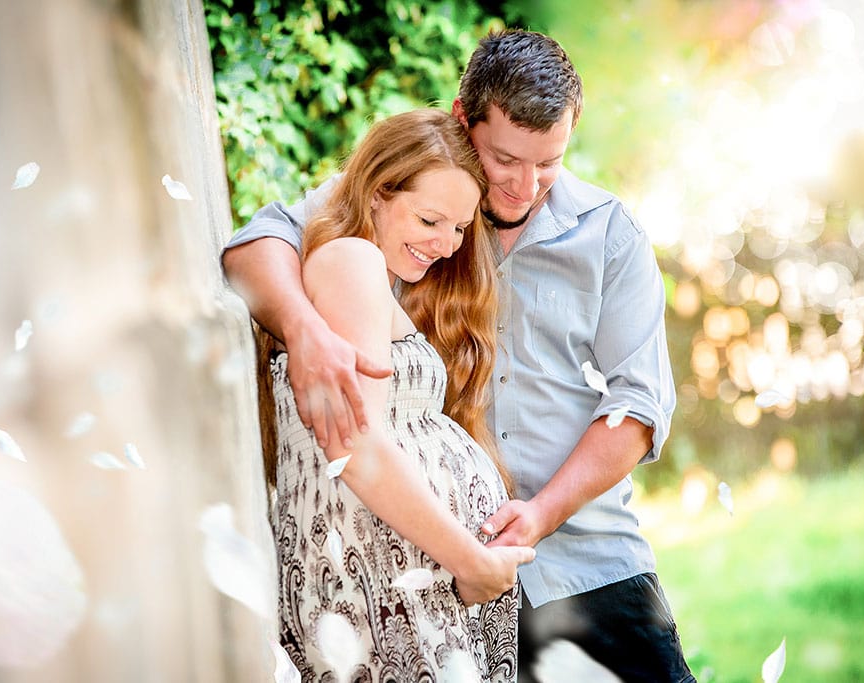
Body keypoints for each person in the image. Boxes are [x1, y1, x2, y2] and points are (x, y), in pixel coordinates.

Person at [224, 30, 694, 683]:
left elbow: (638, 406)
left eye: (549, 162)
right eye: (504, 158)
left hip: (589, 563)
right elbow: (255, 245)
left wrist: (539, 513)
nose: (525, 185)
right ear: (460, 117)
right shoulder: (409, 197)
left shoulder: (611, 236)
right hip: (439, 575)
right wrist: (304, 331)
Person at [263, 108, 534, 682]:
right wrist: (472, 560)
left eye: (459, 228)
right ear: (379, 192)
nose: (446, 244)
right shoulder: (349, 260)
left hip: (398, 573)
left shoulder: (364, 269)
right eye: (430, 219)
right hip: (376, 577)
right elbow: (358, 448)